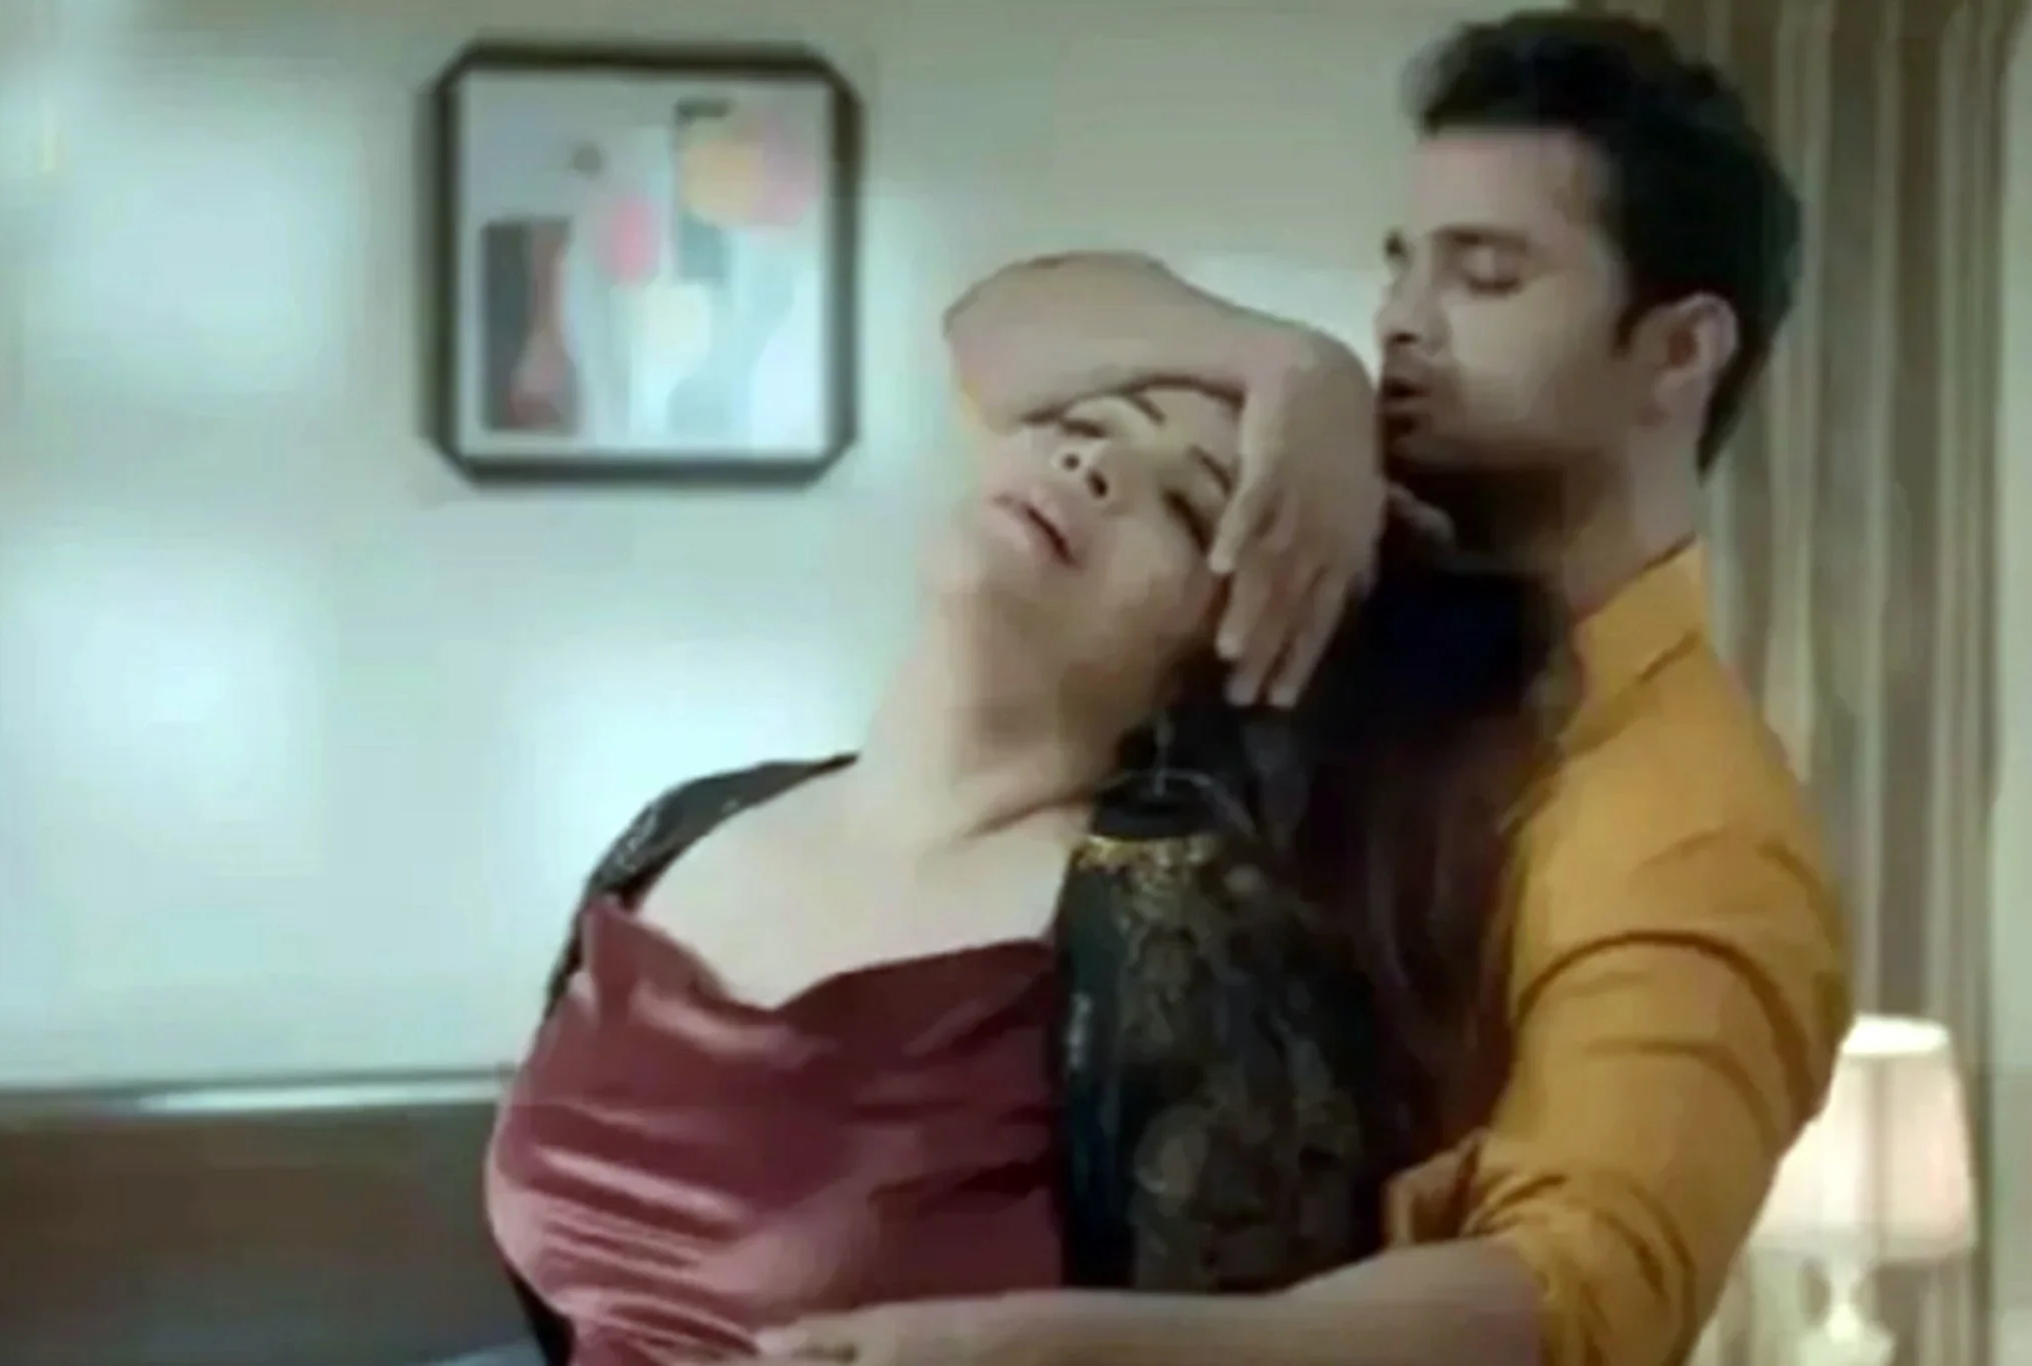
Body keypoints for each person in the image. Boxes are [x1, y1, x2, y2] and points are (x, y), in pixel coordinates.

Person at [756, 13, 1851, 1366]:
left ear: (1678, 352)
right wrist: (1282, 361)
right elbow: (995, 335)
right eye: (1401, 265)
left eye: (1485, 276)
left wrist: (1031, 1354)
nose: (1403, 322)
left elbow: (1575, 1296)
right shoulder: (1332, 526)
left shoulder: (1697, 827)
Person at [487, 384, 1557, 1366]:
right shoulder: (687, 824)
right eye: (1082, 424)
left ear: (1237, 650)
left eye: (1186, 505)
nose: (1095, 465)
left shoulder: (1181, 935)